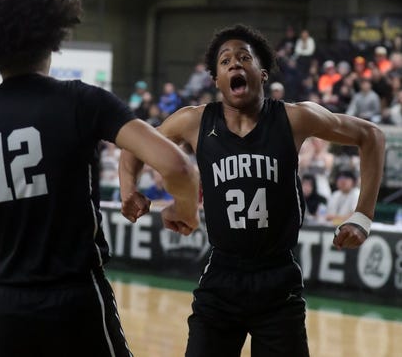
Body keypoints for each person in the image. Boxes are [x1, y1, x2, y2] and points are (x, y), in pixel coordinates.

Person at [0, 0, 200, 357]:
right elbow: (178, 166)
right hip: (77, 300)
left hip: (7, 306)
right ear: (51, 37)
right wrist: (184, 210)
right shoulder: (82, 101)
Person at [119, 23, 385, 357]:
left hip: (278, 280)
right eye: (225, 60)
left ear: (261, 73)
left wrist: (363, 216)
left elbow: (371, 136)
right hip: (221, 277)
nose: (234, 64)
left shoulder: (294, 118)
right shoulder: (194, 121)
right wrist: (129, 190)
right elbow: (131, 146)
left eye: (243, 57)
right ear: (216, 80)